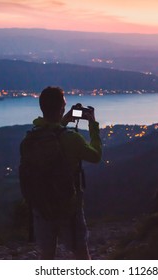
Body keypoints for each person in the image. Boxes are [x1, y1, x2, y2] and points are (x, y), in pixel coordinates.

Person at [25, 86, 102, 259]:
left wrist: (64, 119)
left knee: (46, 256)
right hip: (68, 206)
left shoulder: (32, 137)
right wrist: (93, 125)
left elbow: (51, 132)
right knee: (81, 253)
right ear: (61, 108)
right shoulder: (71, 139)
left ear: (42, 107)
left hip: (40, 205)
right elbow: (95, 156)